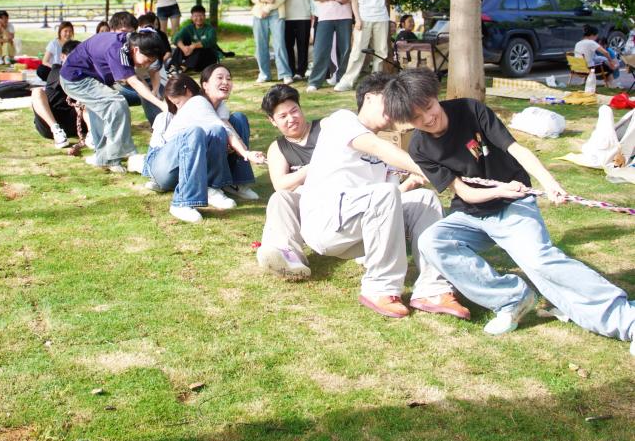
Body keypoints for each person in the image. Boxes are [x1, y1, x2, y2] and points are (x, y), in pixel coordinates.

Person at [388, 68, 635, 349]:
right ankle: (512, 299)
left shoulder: (470, 110)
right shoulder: (419, 148)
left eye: (428, 107)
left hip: (514, 203)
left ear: (435, 96)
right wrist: (499, 190)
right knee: (432, 241)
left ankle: (626, 318)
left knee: (538, 260)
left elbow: (517, 150)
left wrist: (549, 182)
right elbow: (464, 192)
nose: (427, 118)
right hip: (472, 212)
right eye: (416, 118)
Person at [299, 73, 470, 319]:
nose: (394, 108)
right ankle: (379, 288)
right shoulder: (342, 120)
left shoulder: (382, 154)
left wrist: (413, 182)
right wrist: (439, 174)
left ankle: (432, 288)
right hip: (325, 225)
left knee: (425, 200)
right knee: (385, 192)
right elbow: (378, 150)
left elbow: (387, 205)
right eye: (388, 100)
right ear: (369, 98)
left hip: (357, 229)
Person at [60, 29, 165, 173]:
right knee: (116, 103)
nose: (146, 66)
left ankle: (103, 158)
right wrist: (161, 105)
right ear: (136, 50)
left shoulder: (129, 44)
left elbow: (136, 78)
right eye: (147, 61)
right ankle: (119, 156)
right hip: (75, 79)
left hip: (89, 78)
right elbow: (134, 82)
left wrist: (153, 93)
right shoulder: (117, 49)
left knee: (100, 113)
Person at [142, 74, 237, 222]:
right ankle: (182, 202)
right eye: (175, 104)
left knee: (215, 131)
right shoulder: (167, 117)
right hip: (163, 167)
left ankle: (212, 187)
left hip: (186, 171)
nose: (178, 107)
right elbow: (155, 151)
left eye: (178, 102)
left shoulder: (205, 106)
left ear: (187, 91)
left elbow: (220, 125)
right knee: (194, 132)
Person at [257, 84, 320, 280]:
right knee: (279, 198)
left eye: (294, 111)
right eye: (283, 116)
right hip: (306, 206)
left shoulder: (323, 129)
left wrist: (298, 177)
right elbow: (280, 184)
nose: (291, 119)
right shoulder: (278, 148)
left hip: (336, 197)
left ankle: (275, 251)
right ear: (272, 121)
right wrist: (312, 168)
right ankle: (289, 258)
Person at [335, 0, 401, 91]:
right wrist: (357, 19)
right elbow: (354, 1)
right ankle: (347, 81)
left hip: (381, 18)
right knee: (358, 51)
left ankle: (376, 82)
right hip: (363, 18)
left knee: (381, 51)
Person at [200, 63, 266, 200]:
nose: (225, 82)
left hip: (211, 152)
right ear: (205, 85)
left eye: (229, 78)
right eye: (220, 78)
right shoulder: (199, 103)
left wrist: (245, 151)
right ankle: (212, 186)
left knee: (239, 119)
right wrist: (243, 151)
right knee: (217, 131)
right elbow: (221, 131)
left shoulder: (221, 105)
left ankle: (237, 183)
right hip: (188, 160)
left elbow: (228, 127)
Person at [306, 0, 352, 92]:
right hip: (325, 16)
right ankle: (315, 81)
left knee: (345, 48)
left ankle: (342, 79)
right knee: (320, 48)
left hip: (344, 15)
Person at [249, 0, 291, 84]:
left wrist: (267, 8)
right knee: (260, 45)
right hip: (259, 15)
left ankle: (285, 74)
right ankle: (264, 74)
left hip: (276, 14)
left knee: (279, 44)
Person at [32, 38, 82, 147]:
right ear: (62, 57)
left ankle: (93, 134)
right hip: (50, 122)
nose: (77, 61)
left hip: (74, 121)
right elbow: (67, 78)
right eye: (73, 57)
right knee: (37, 92)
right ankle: (56, 131)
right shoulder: (56, 70)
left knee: (86, 99)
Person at [171, 4, 220, 73]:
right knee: (180, 46)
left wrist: (193, 46)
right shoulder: (189, 28)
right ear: (191, 17)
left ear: (205, 16)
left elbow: (211, 41)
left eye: (201, 15)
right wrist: (184, 48)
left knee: (201, 49)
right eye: (196, 16)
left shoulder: (210, 29)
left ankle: (183, 67)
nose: (199, 18)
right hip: (193, 58)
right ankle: (174, 66)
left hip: (208, 59)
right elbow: (176, 37)